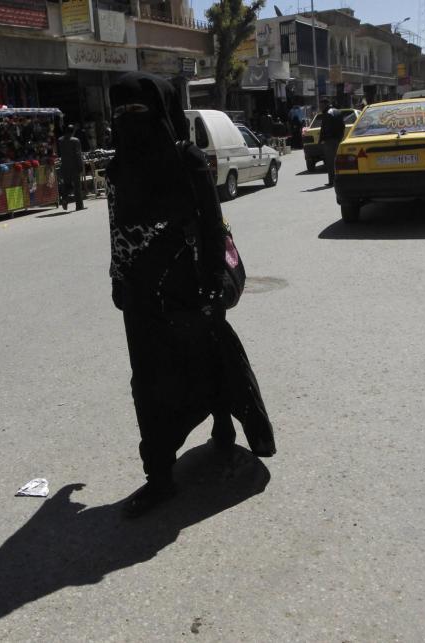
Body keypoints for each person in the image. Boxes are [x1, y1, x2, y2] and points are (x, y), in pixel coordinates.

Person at [106, 72, 274, 519]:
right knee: (149, 386)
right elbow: (116, 228)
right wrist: (117, 277)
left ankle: (222, 423)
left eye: (137, 111)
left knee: (206, 362)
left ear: (161, 112)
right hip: (140, 300)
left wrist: (216, 282)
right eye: (119, 112)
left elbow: (212, 224)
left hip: (189, 289)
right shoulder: (117, 165)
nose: (127, 121)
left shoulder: (188, 161)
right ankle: (159, 478)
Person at [58, 124, 85, 212]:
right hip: (74, 166)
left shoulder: (60, 140)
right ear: (73, 131)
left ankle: (64, 198)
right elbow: (78, 154)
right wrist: (80, 166)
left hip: (65, 166)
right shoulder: (75, 140)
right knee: (77, 186)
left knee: (68, 185)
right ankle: (79, 205)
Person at [319, 99, 345, 186]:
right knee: (338, 161)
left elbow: (324, 129)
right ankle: (340, 179)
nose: (320, 107)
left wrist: (321, 140)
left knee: (330, 162)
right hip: (337, 140)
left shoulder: (327, 113)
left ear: (326, 104)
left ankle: (332, 181)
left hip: (329, 141)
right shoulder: (338, 112)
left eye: (321, 105)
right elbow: (343, 126)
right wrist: (340, 137)